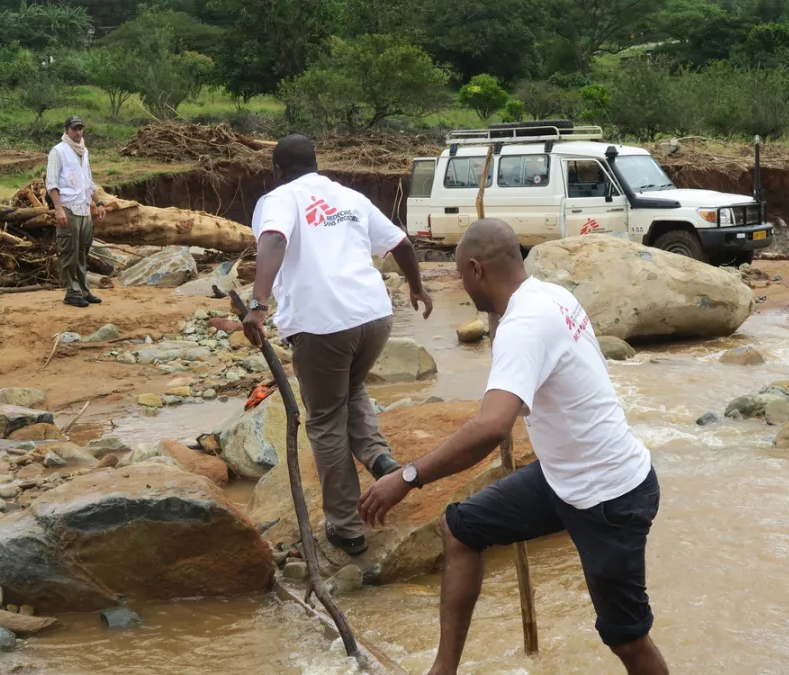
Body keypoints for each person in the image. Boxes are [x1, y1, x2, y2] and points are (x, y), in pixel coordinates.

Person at [359, 219, 668, 675]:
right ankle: (443, 670)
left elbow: (491, 428)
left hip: (609, 495)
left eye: (463, 278)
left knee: (627, 639)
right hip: (564, 477)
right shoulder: (551, 295)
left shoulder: (523, 325)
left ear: (476, 269)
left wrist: (407, 477)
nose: (463, 289)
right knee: (461, 529)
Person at [242, 133, 434, 556]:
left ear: (278, 172)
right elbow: (399, 242)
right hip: (373, 316)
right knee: (352, 388)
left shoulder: (279, 198)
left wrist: (258, 305)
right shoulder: (348, 196)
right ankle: (381, 460)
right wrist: (417, 288)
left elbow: (272, 240)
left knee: (326, 419)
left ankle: (346, 525)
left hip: (323, 323)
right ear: (316, 163)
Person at [46, 115, 106, 308]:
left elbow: (88, 181)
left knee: (82, 251)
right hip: (68, 208)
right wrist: (58, 209)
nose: (78, 132)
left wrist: (99, 203)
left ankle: (83, 290)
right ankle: (72, 292)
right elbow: (52, 183)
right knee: (69, 251)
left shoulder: (84, 151)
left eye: (80, 128)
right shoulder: (58, 151)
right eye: (74, 129)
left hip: (83, 208)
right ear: (66, 130)